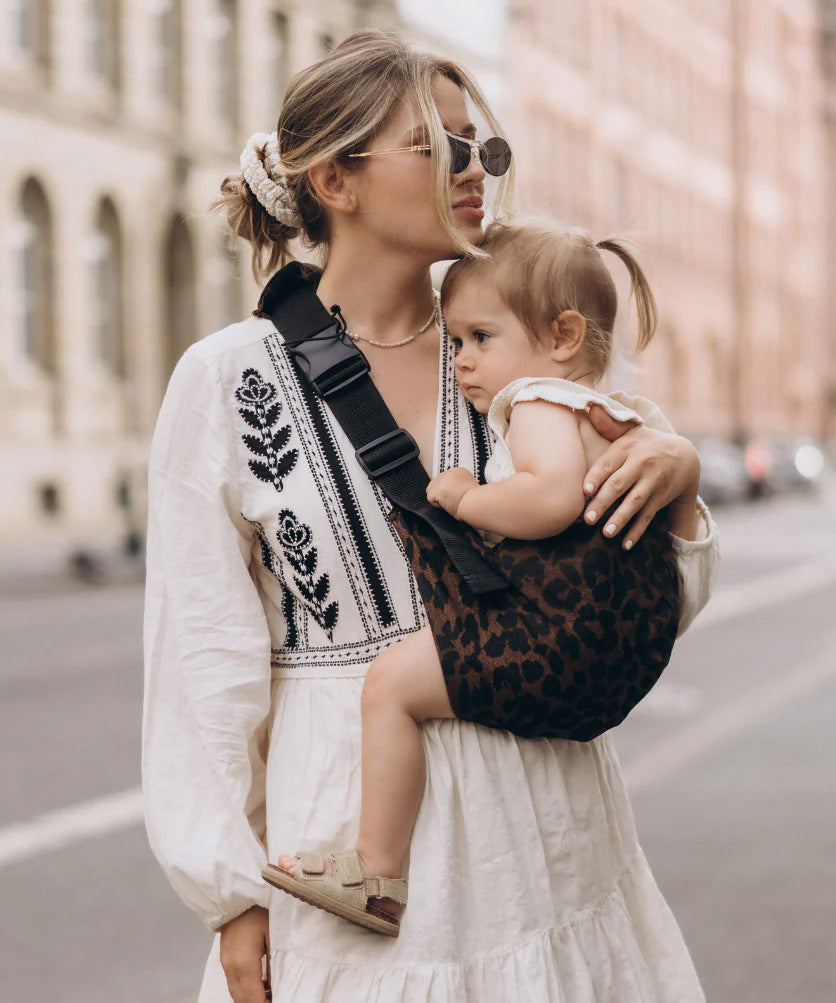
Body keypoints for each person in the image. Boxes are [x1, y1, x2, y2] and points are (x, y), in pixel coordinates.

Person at [142, 28, 719, 1003]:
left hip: (548, 842)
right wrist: (231, 898)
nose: (474, 169)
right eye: (436, 146)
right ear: (337, 179)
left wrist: (675, 476)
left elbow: (643, 599)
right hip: (360, 863)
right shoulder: (225, 380)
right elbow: (199, 660)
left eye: (479, 145)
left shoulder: (520, 340)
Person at [262, 219, 692, 938]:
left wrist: (466, 497)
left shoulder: (537, 402)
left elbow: (551, 496)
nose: (461, 361)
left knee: (392, 685)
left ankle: (376, 869)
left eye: (479, 339)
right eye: (455, 340)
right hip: (617, 643)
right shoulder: (618, 416)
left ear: (561, 336)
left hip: (554, 631)